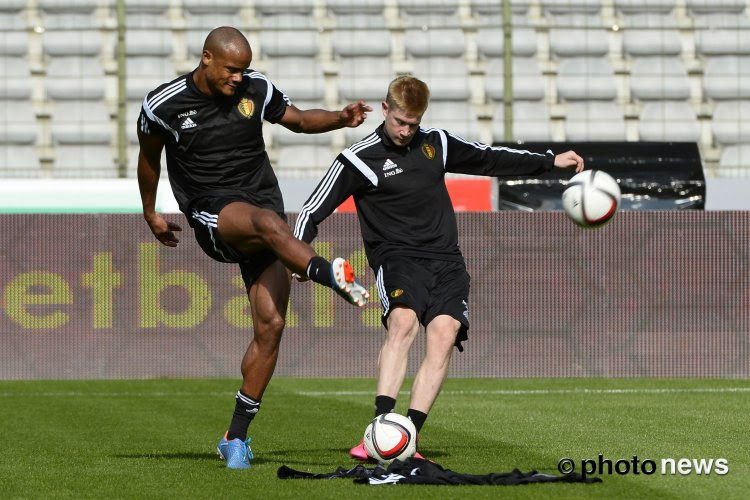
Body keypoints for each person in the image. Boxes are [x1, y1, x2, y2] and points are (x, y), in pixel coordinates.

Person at [293, 76, 584, 460]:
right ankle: (379, 429)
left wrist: (550, 161)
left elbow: (491, 157)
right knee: (403, 322)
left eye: (413, 123)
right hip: (397, 258)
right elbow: (313, 209)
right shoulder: (359, 159)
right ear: (385, 110)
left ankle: (407, 437)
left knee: (444, 335)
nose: (405, 130)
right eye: (399, 121)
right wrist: (296, 256)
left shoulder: (437, 144)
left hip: (447, 260)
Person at [136, 26, 372, 469]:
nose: (238, 78)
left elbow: (299, 120)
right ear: (207, 58)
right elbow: (149, 160)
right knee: (269, 224)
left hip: (265, 216)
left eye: (243, 70)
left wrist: (340, 118)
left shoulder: (256, 88)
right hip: (213, 215)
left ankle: (235, 438)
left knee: (272, 325)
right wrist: (151, 212)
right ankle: (326, 272)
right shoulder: (162, 105)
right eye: (231, 69)